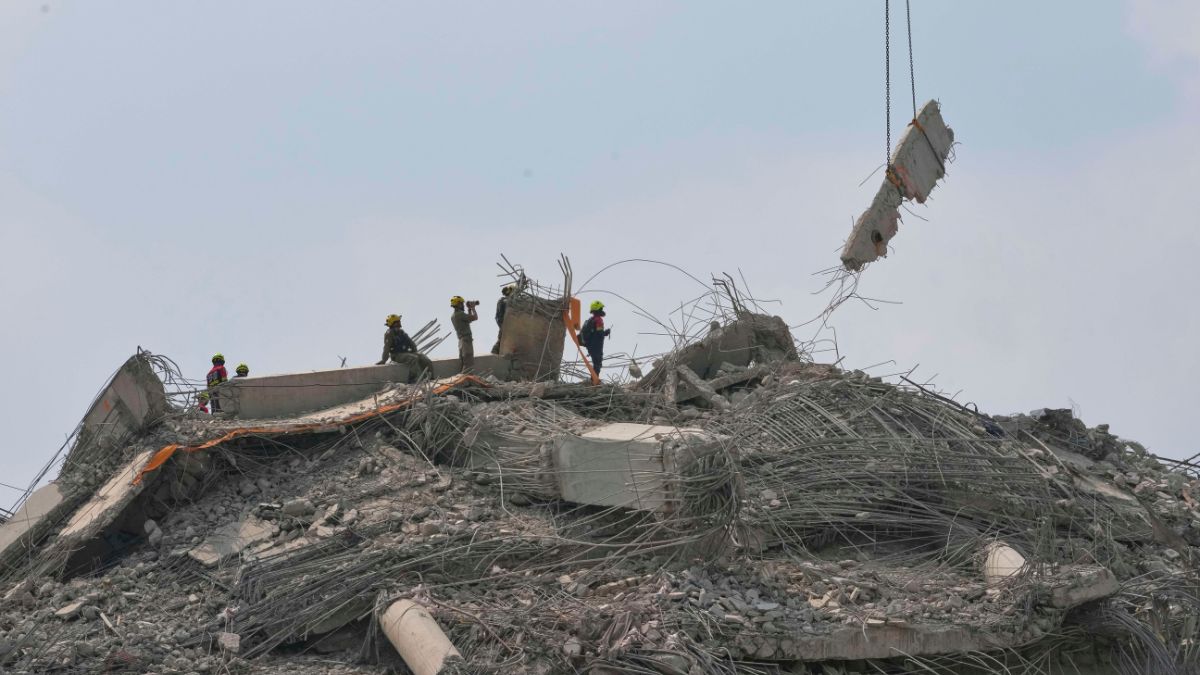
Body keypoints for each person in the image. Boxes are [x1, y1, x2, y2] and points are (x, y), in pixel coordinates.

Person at [376, 314, 433, 382]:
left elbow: (410, 342)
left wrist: (414, 351)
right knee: (413, 358)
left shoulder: (401, 332)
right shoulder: (389, 334)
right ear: (393, 324)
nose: (399, 324)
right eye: (397, 322)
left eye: (399, 322)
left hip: (405, 353)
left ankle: (430, 377)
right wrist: (384, 360)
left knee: (424, 358)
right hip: (397, 355)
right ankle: (412, 379)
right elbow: (386, 347)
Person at [578, 301, 611, 376]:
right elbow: (600, 333)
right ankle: (594, 381)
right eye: (601, 308)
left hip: (590, 345)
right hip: (596, 346)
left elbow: (595, 332)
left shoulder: (590, 319)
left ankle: (593, 380)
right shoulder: (598, 320)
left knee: (595, 363)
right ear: (598, 309)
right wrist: (606, 332)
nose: (602, 310)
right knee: (597, 364)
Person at [450, 296, 478, 373]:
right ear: (458, 304)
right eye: (462, 304)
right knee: (468, 362)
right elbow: (475, 317)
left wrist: (469, 310)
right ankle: (466, 381)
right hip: (466, 340)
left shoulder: (454, 315)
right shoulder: (460, 314)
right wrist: (473, 308)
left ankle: (464, 381)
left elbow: (468, 320)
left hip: (461, 341)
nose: (463, 305)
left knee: (464, 362)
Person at [491, 284, 516, 355]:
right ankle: (494, 352)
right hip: (504, 323)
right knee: (502, 339)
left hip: (504, 323)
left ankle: (497, 352)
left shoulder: (503, 300)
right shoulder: (505, 301)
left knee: (503, 338)